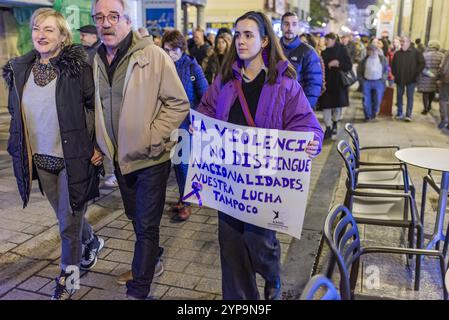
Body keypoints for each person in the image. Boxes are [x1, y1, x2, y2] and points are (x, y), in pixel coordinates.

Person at [197, 11, 323, 300]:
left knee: (259, 243)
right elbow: (205, 109)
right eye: (237, 35)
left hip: (265, 184)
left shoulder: (284, 84)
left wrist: (312, 142)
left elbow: (307, 125)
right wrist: (198, 124)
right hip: (229, 181)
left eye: (248, 35)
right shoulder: (225, 81)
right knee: (230, 248)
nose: (240, 41)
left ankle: (271, 274)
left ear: (265, 40)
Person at [2, 8, 104, 300]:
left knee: (67, 228)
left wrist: (97, 145)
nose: (41, 35)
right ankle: (92, 241)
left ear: (62, 36)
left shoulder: (77, 67)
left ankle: (68, 281)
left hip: (74, 160)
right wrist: (16, 147)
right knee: (66, 218)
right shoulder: (20, 69)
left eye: (49, 30)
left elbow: (94, 107)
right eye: (37, 28)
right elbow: (14, 112)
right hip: (41, 161)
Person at [91, 0, 189, 299]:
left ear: (127, 21)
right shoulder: (94, 59)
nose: (106, 23)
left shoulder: (153, 56)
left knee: (146, 224)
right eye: (99, 17)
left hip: (151, 158)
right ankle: (152, 257)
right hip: (120, 161)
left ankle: (139, 288)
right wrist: (97, 141)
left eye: (113, 16)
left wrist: (152, 137)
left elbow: (179, 103)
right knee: (136, 217)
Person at [161, 30, 208, 221]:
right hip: (166, 122)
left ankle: (187, 203)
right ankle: (184, 198)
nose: (170, 53)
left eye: (173, 50)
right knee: (175, 163)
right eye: (166, 50)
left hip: (185, 123)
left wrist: (196, 120)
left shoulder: (192, 67)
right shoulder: (162, 66)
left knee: (182, 164)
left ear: (181, 49)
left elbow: (206, 97)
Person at [280, 12, 323, 109]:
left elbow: (314, 83)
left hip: (296, 107)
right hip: (274, 106)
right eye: (286, 24)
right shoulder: (273, 49)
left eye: (294, 24)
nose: (290, 28)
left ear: (298, 27)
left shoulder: (308, 52)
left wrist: (305, 108)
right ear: (281, 26)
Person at [318, 32, 353, 140]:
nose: (325, 42)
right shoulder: (324, 52)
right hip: (327, 83)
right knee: (326, 106)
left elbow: (349, 65)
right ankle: (328, 127)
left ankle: (335, 123)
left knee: (337, 106)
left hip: (339, 83)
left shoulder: (342, 50)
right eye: (325, 40)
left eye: (327, 40)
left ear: (333, 40)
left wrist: (338, 64)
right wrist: (328, 65)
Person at [392, 36, 425, 121]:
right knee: (399, 96)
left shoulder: (416, 52)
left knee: (410, 97)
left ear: (409, 42)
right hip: (400, 79)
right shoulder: (397, 53)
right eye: (401, 41)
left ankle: (408, 115)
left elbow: (422, 63)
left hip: (411, 79)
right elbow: (393, 65)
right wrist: (395, 73)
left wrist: (416, 73)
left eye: (404, 41)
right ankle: (399, 113)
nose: (402, 43)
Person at [358, 44, 389, 121]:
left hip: (378, 82)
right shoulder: (363, 61)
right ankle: (367, 116)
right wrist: (362, 81)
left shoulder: (383, 59)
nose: (373, 52)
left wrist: (383, 79)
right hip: (367, 82)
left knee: (377, 100)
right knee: (366, 100)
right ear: (368, 52)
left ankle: (374, 113)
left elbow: (386, 70)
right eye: (371, 50)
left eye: (375, 50)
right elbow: (359, 72)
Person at [417, 40, 445, 115]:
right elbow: (442, 67)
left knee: (425, 92)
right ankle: (429, 105)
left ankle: (425, 108)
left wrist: (430, 73)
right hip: (436, 76)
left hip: (425, 76)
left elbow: (421, 66)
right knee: (432, 91)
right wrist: (437, 74)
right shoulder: (441, 55)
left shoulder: (424, 55)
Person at [438, 51, 449, 129]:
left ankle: (444, 119)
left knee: (443, 99)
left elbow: (444, 68)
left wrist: (439, 77)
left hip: (446, 80)